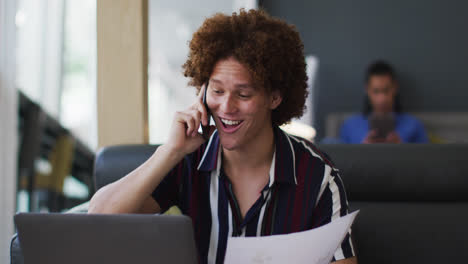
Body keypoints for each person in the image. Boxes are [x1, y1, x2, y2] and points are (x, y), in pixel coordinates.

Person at [89, 9, 357, 264]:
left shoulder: (316, 174)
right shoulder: (187, 161)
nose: (226, 107)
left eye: (243, 94)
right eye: (217, 91)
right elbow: (98, 218)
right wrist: (170, 151)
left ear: (274, 97)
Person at [340, 60, 429, 144]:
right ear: (367, 90)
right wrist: (363, 150)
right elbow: (340, 159)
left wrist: (402, 150)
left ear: (395, 88)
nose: (382, 98)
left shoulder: (413, 125)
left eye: (386, 90)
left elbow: (426, 158)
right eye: (376, 91)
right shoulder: (350, 126)